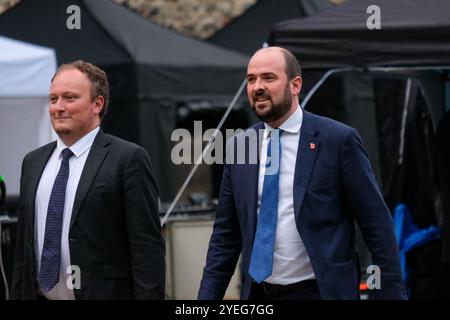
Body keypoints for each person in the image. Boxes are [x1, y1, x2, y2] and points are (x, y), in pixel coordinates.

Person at [198, 47, 405, 300]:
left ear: (295, 85)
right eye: (251, 79)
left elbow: (377, 226)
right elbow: (225, 238)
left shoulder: (338, 141)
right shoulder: (240, 146)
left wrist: (390, 294)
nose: (257, 87)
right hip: (258, 295)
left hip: (319, 291)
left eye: (268, 78)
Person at [10, 60, 165, 300]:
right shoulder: (33, 162)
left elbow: (146, 250)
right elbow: (23, 251)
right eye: (53, 99)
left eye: (69, 98)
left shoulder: (128, 158)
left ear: (97, 104)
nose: (58, 107)